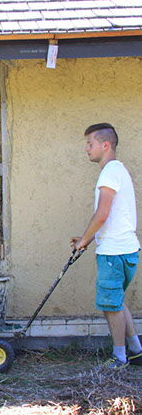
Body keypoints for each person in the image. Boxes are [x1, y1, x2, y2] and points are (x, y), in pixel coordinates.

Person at [71, 123, 141, 369]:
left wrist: (84, 240)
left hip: (113, 252)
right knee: (117, 300)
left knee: (111, 306)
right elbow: (108, 218)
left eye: (90, 144)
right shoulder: (118, 170)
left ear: (105, 145)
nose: (86, 149)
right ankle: (136, 351)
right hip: (126, 249)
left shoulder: (109, 173)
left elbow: (102, 214)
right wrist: (87, 238)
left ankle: (119, 357)